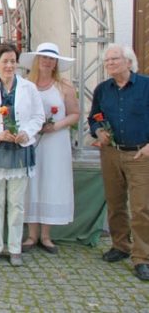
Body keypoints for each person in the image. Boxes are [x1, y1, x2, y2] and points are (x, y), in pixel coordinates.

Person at [0, 43, 44, 266]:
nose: (10, 65)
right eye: (5, 61)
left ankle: (15, 248)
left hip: (20, 150)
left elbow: (38, 117)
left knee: (16, 203)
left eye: (13, 61)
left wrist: (27, 132)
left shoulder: (29, 88)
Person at [88, 44, 149, 282]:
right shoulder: (103, 89)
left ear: (129, 61)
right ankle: (120, 245)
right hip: (111, 153)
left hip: (140, 154)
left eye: (115, 59)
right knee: (115, 203)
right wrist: (97, 131)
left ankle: (142, 257)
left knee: (141, 208)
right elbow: (93, 116)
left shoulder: (145, 86)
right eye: (107, 61)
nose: (110, 63)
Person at [20, 42, 79, 254]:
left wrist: (55, 126)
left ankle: (46, 235)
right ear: (37, 60)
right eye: (44, 57)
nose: (47, 61)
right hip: (32, 140)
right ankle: (31, 234)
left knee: (51, 182)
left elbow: (74, 114)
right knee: (31, 182)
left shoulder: (64, 87)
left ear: (56, 63)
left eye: (51, 58)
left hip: (55, 142)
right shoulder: (26, 85)